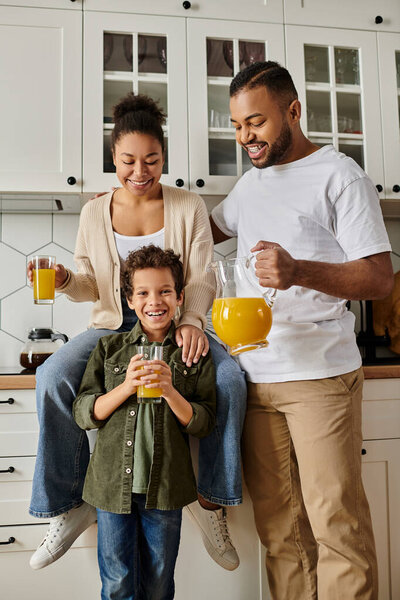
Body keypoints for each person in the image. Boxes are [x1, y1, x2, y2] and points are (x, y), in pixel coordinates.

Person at [28, 92, 245, 572]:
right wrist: (66, 281)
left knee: (229, 381)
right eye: (129, 161)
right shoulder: (93, 212)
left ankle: (211, 503)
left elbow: (204, 275)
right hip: (113, 322)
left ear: (164, 157)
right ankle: (68, 506)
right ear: (114, 159)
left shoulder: (188, 204)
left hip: (177, 319)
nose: (141, 170)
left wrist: (191, 321)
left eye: (152, 159)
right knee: (51, 379)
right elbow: (89, 283)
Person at [210, 61, 394, 600]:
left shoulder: (341, 175)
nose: (246, 138)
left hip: (319, 377)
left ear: (293, 111)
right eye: (238, 126)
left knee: (338, 529)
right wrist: (131, 200)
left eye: (257, 123)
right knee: (281, 534)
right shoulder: (250, 184)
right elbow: (201, 227)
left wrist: (298, 271)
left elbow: (379, 277)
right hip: (255, 377)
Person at [72, 245, 216, 600]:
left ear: (180, 296)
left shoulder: (192, 353)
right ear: (130, 300)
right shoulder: (110, 349)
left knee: (158, 584)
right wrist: (126, 387)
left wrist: (169, 391)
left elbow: (204, 423)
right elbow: (83, 412)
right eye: (144, 293)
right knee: (118, 584)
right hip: (110, 489)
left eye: (165, 291)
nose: (156, 301)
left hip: (165, 490)